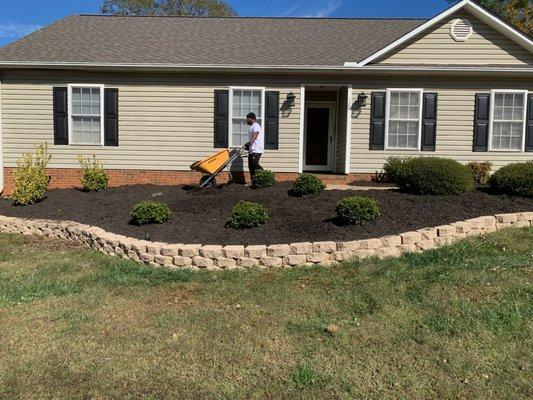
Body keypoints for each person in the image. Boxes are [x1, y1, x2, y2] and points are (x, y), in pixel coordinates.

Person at [244, 112, 263, 186]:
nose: (246, 120)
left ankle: (265, 174)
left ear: (251, 119)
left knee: (254, 165)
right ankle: (253, 182)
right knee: (250, 166)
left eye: (247, 118)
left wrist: (250, 142)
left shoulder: (256, 125)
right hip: (252, 150)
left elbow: (256, 134)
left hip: (257, 149)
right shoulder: (251, 127)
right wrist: (248, 146)